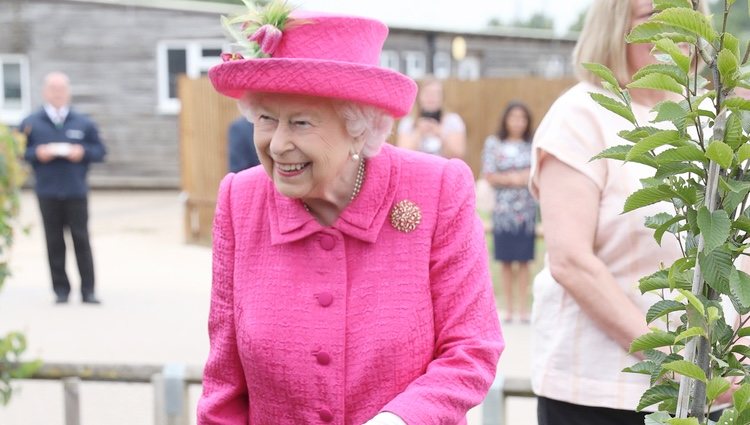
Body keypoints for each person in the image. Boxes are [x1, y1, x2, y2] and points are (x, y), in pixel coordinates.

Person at [197, 3, 504, 424]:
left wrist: (400, 419)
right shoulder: (240, 201)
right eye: (266, 118)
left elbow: (472, 348)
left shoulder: (437, 190)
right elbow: (223, 386)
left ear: (358, 127)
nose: (277, 143)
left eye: (301, 123)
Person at [529, 0, 715, 423]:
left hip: (709, 395)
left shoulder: (709, 118)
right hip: (600, 393)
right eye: (654, 18)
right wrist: (677, 359)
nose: (674, 30)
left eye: (685, 14)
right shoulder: (581, 116)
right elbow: (571, 262)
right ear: (617, 27)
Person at [20, 72, 106, 305]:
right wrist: (36, 154)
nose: (57, 93)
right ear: (44, 92)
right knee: (53, 240)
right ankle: (61, 290)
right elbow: (19, 151)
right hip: (47, 191)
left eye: (61, 89)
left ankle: (88, 290)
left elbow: (100, 151)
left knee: (81, 238)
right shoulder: (31, 122)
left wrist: (83, 152)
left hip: (75, 190)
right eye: (53, 89)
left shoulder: (83, 122)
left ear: (68, 92)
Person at [481, 101, 536, 324]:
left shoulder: (531, 144)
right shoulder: (494, 143)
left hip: (526, 211)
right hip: (503, 212)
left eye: (522, 118)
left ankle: (523, 308)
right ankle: (508, 308)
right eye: (513, 117)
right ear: (505, 119)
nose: (517, 122)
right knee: (504, 260)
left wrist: (513, 178)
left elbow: (534, 173)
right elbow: (489, 174)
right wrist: (515, 179)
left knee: (524, 260)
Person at [396, 76, 467, 158]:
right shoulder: (408, 122)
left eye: (436, 94)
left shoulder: (453, 120)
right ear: (419, 97)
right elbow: (402, 154)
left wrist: (440, 133)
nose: (431, 98)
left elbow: (458, 154)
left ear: (442, 97)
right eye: (427, 93)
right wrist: (418, 132)